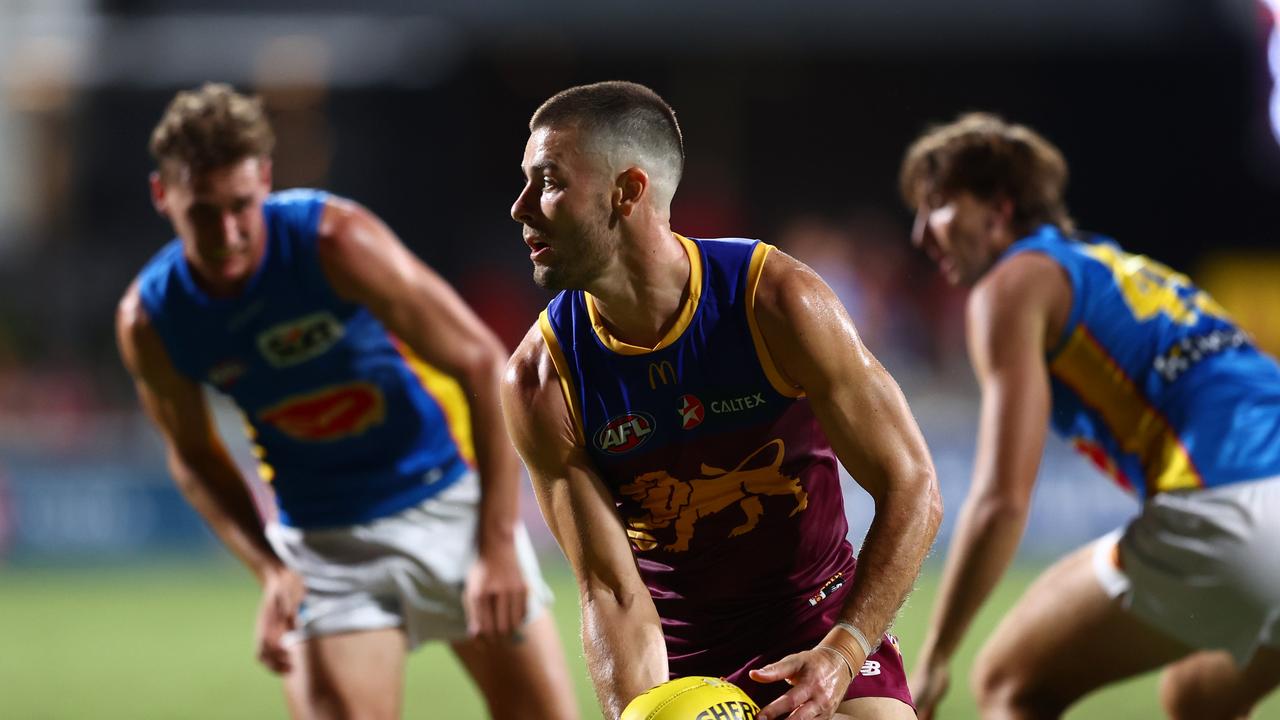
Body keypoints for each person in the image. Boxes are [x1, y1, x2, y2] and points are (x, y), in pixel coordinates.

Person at [114, 83, 577, 720]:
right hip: (325, 548)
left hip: (452, 505)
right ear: (163, 196)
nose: (226, 234)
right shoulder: (152, 320)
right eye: (202, 213)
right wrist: (271, 569)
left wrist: (497, 540)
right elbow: (193, 455)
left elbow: (477, 361)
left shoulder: (335, 242)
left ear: (266, 182)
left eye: (241, 207)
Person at [502, 80, 942, 720]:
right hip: (678, 666)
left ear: (628, 191)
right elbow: (612, 592)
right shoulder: (542, 380)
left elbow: (912, 483)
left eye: (547, 182)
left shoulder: (776, 303)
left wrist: (843, 651)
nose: (520, 208)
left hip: (814, 629)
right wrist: (642, 712)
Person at [900, 113, 1280, 719]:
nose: (922, 233)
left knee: (1007, 681)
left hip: (1236, 508)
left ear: (1000, 210)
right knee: (1197, 698)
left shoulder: (1013, 283)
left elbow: (1002, 499)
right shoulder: (1112, 267)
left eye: (941, 205)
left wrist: (934, 659)